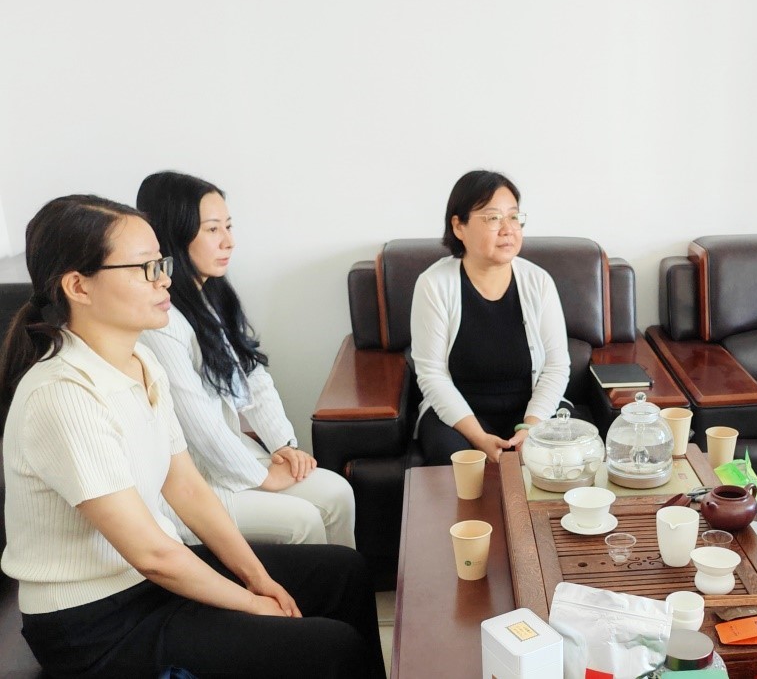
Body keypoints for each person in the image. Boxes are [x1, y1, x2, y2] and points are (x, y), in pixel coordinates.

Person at [0, 195, 385, 678]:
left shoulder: (142, 361)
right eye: (144, 268)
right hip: (94, 622)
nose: (165, 279)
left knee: (344, 572)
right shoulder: (62, 394)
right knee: (331, 648)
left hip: (145, 581)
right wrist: (253, 604)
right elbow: (152, 554)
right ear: (78, 286)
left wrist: (257, 577)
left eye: (161, 263)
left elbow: (185, 487)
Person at [136, 171, 355, 547]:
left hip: (231, 457)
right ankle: (307, 587)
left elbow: (253, 377)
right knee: (303, 522)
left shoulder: (211, 295)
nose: (229, 241)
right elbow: (196, 420)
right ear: (174, 233)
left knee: (337, 494)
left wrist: (283, 444)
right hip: (192, 480)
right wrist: (263, 477)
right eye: (212, 229)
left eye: (229, 226)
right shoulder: (161, 320)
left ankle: (343, 587)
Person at [410, 170, 569, 464]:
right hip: (459, 417)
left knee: (567, 454)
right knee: (458, 462)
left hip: (531, 410)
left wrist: (531, 428)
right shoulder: (434, 284)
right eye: (493, 218)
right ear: (459, 226)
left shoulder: (539, 281)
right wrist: (479, 437)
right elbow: (432, 375)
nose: (508, 229)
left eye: (514, 217)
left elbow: (557, 366)